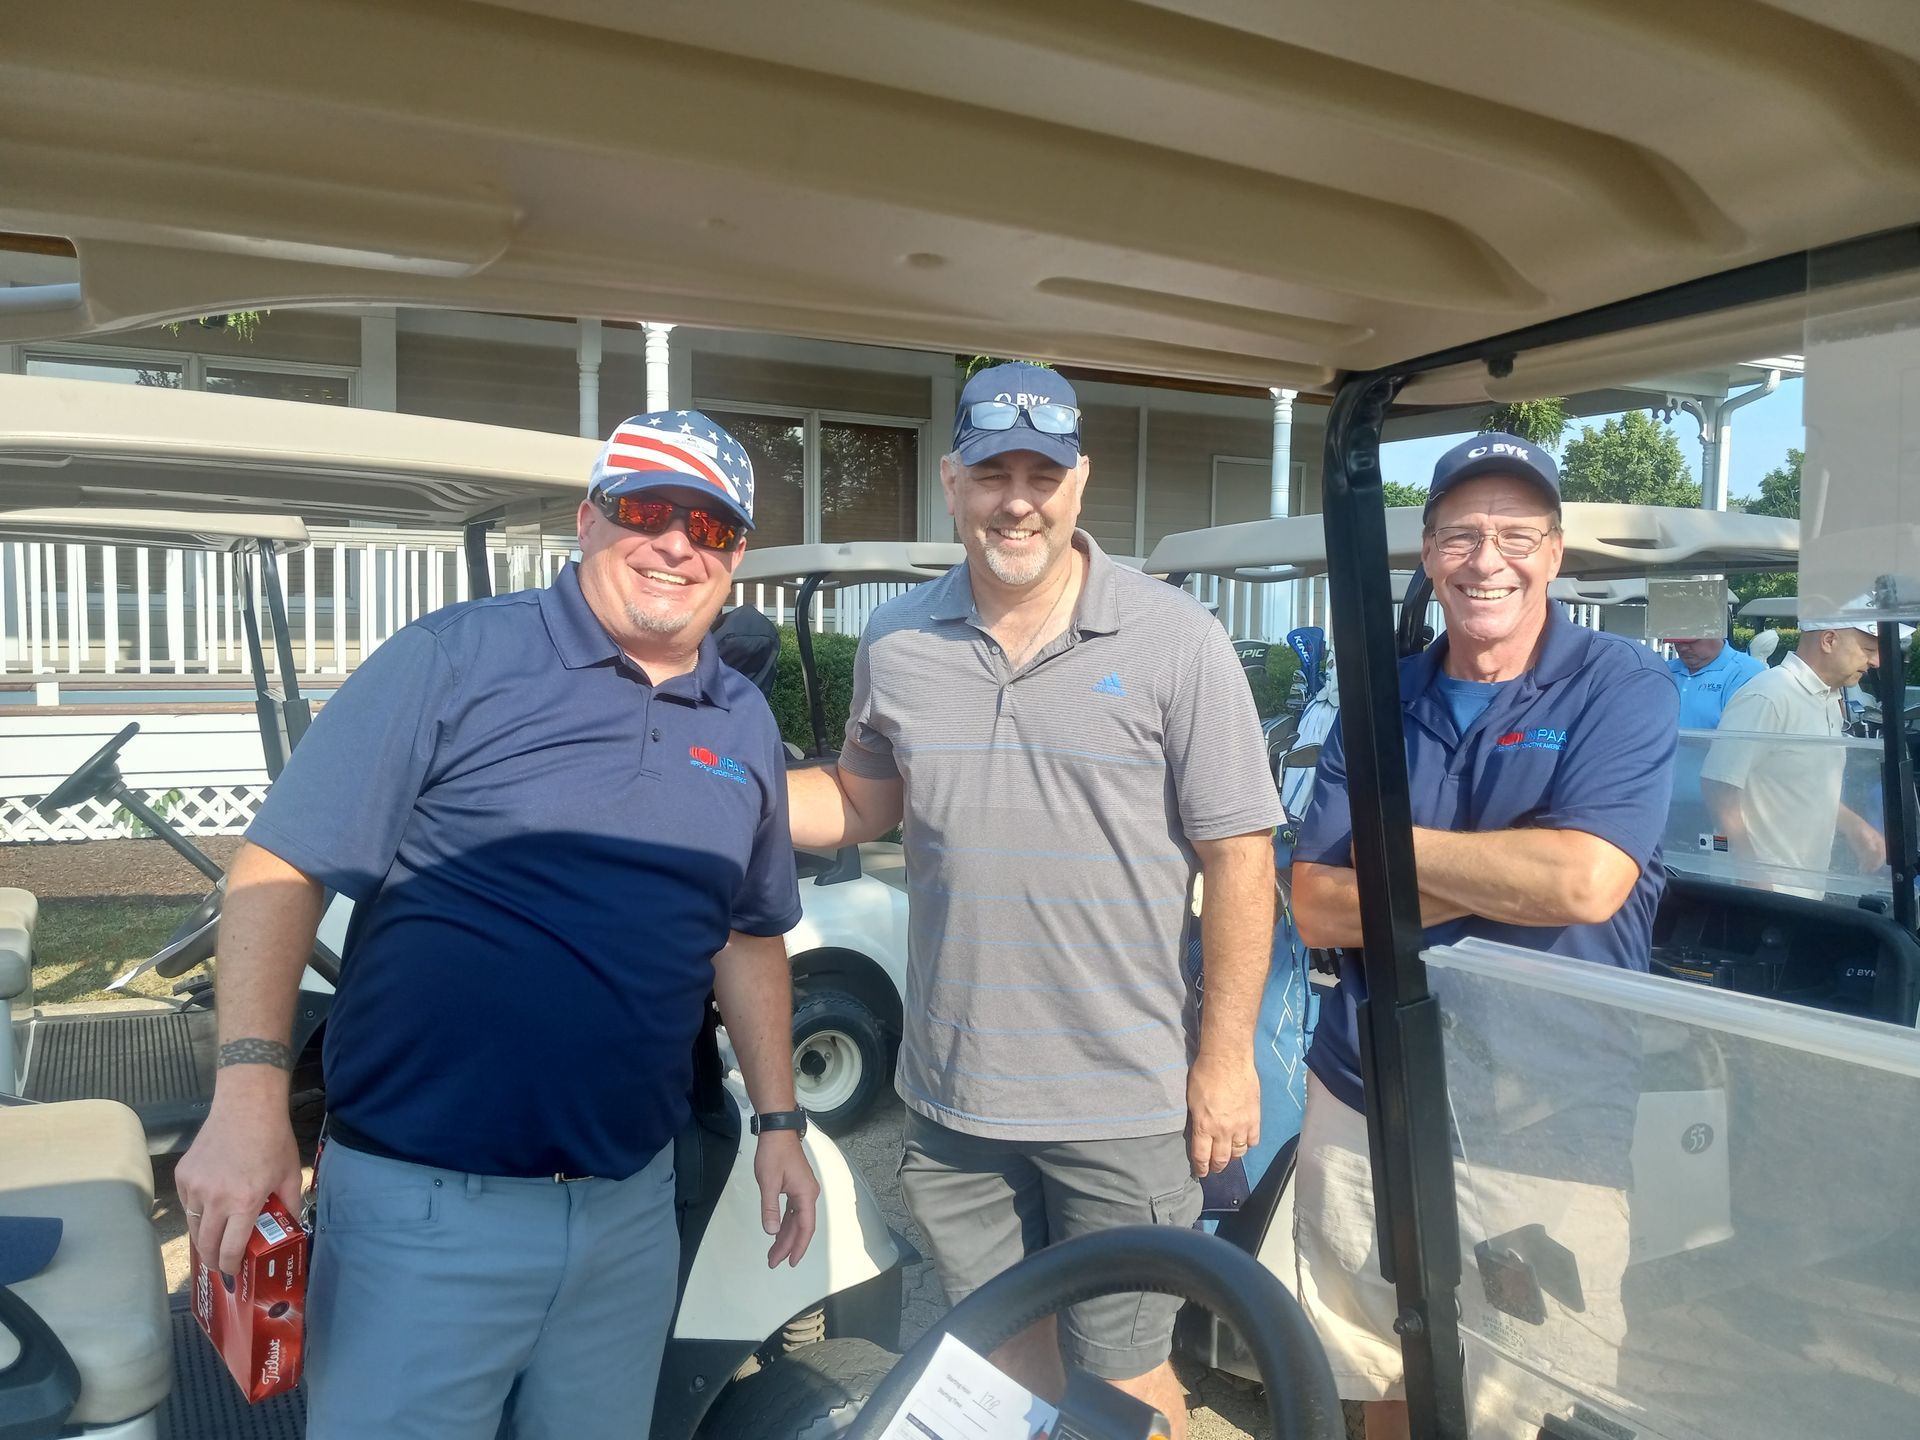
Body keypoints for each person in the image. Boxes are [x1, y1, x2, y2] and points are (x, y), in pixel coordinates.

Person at [175, 411, 818, 1440]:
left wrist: (781, 1123)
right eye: (647, 509)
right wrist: (249, 1092)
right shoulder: (456, 660)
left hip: (628, 1213)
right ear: (588, 521)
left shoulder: (741, 720)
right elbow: (279, 865)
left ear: (736, 557)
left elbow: (748, 932)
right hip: (424, 1216)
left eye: (712, 528)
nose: (676, 544)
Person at [787, 363, 1279, 1437]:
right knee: (1002, 1366)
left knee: (1130, 1385)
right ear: (954, 483)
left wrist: (1227, 1057)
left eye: (1043, 473)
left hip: (1123, 1102)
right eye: (994, 472)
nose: (1019, 498)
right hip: (957, 1099)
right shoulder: (898, 641)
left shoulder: (1174, 640)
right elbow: (863, 799)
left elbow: (1241, 856)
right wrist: (705, 789)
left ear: (1079, 482)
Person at [1290, 433, 1679, 1440]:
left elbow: (1584, 882)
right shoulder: (1380, 697)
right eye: (1460, 533)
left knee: (1524, 1397)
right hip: (1366, 1086)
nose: (1485, 558)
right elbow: (1316, 906)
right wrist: (1507, 866)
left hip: (1546, 1111)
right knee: (1374, 1366)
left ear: (1555, 553)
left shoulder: (1622, 685)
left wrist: (1393, 852)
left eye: (1515, 533)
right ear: (1427, 553)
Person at [1700, 615, 1906, 892]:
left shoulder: (1828, 699)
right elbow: (1718, 787)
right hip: (1763, 890)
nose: (1876, 661)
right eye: (1868, 649)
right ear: (1829, 640)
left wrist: (1853, 825)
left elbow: (1806, 786)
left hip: (1801, 884)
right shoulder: (1769, 696)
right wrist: (1752, 872)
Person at [1665, 633, 1765, 729]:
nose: (1683, 648)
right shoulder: (1663, 670)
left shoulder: (1747, 671)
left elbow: (1741, 736)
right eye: (1677, 642)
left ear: (1715, 633)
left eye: (1691, 642)